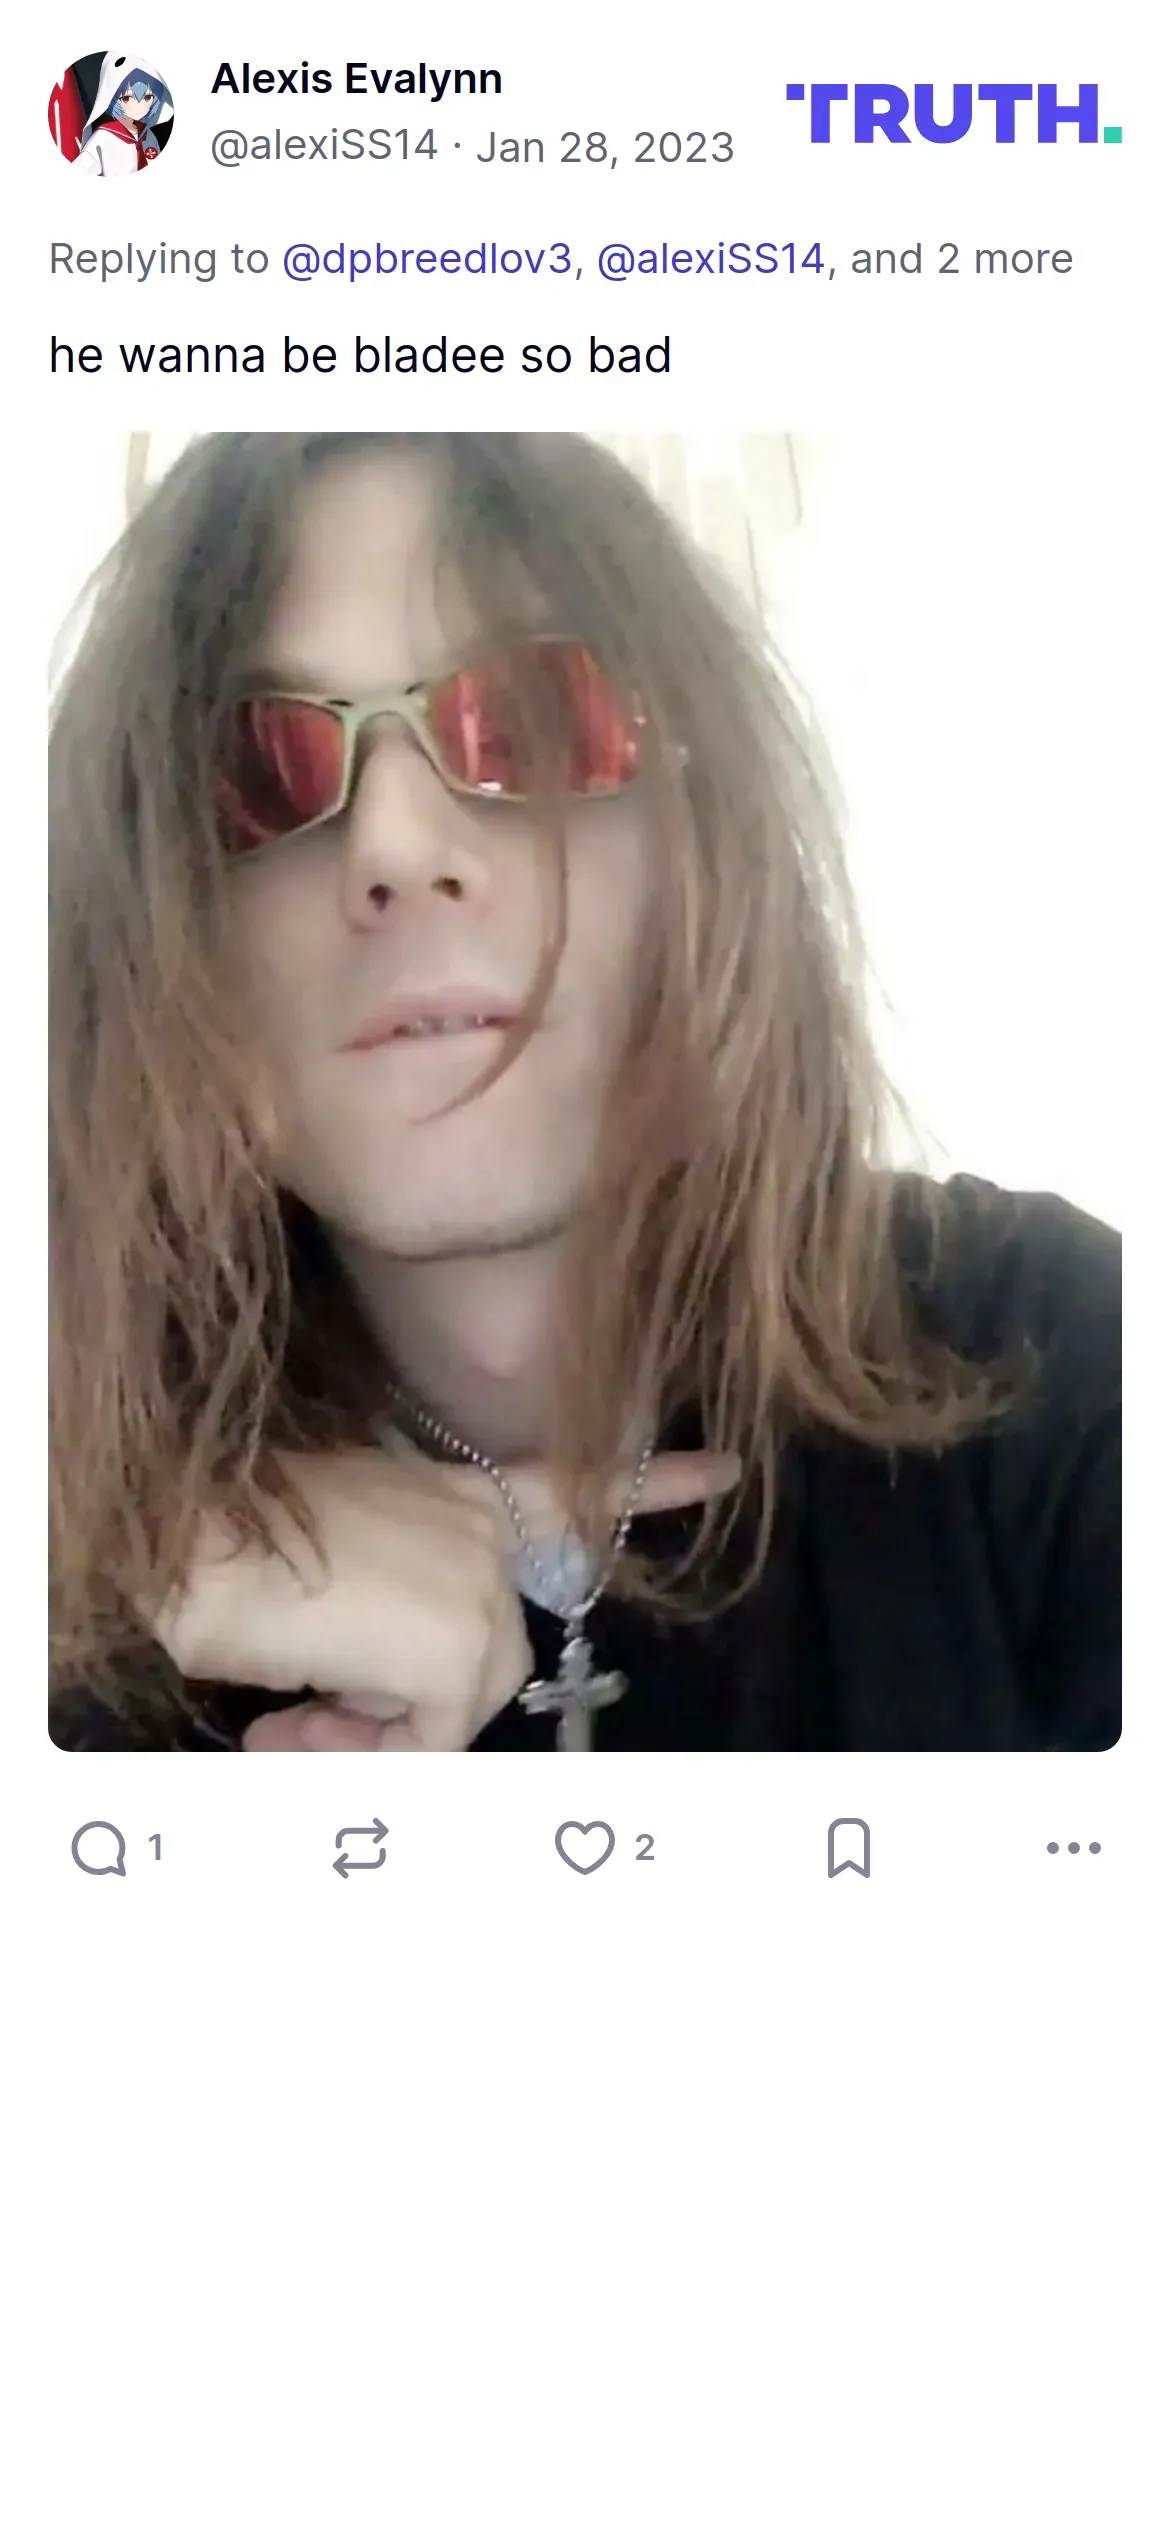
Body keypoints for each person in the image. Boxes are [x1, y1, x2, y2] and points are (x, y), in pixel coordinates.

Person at [48, 431, 1120, 1753]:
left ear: (704, 841)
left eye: (535, 720)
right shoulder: (67, 1578)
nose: (396, 844)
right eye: (255, 770)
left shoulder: (1057, 1364)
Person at [73, 55, 172, 174]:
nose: (139, 106)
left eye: (148, 97)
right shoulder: (102, 139)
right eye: (127, 98)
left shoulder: (149, 136)